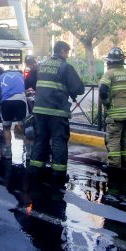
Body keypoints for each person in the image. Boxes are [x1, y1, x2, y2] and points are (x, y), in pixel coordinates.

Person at [28, 41, 85, 180]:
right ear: (62, 52)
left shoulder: (41, 66)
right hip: (57, 112)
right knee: (59, 141)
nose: (67, 55)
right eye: (67, 52)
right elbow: (79, 88)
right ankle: (58, 174)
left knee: (40, 139)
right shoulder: (65, 67)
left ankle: (36, 170)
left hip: (39, 111)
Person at [98, 47, 126, 172]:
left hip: (115, 114)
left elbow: (103, 91)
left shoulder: (109, 74)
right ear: (122, 61)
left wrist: (107, 104)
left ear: (110, 62)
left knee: (114, 139)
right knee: (125, 140)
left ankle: (114, 165)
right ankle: (125, 162)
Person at [0, 63, 28, 160]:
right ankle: (29, 152)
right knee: (24, 127)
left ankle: (9, 152)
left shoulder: (0, 77)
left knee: (6, 127)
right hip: (20, 101)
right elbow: (24, 89)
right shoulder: (21, 76)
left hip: (6, 103)